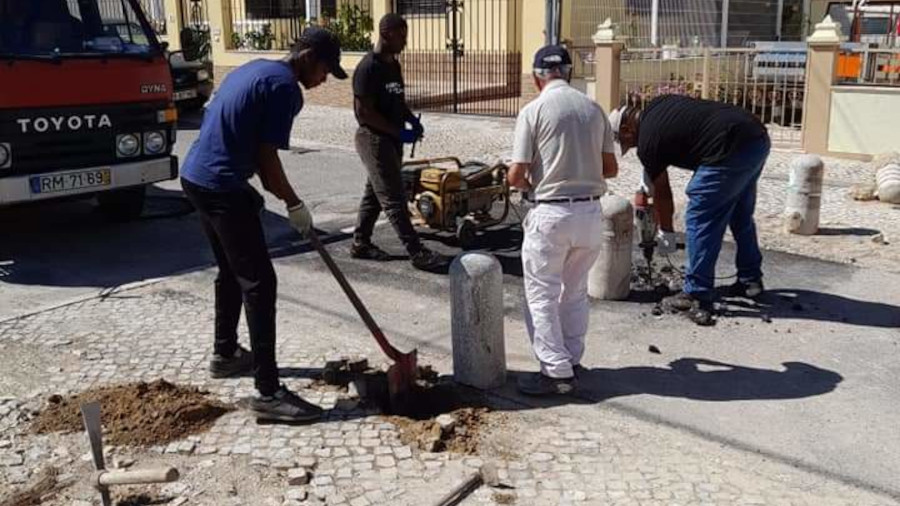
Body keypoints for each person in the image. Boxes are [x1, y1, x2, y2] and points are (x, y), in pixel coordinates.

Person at [180, 27, 347, 422]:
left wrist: (257, 191)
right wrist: (294, 203)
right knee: (260, 283)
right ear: (307, 56)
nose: (324, 80)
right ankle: (269, 393)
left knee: (231, 270)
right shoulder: (285, 89)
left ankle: (225, 354)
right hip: (220, 185)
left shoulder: (254, 69)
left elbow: (239, 136)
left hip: (197, 177)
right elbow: (268, 163)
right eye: (325, 70)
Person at [508, 45, 619, 396]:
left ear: (536, 77)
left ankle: (555, 373)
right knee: (574, 293)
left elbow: (515, 175)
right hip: (590, 214)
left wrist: (530, 183)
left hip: (552, 214)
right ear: (568, 73)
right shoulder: (593, 109)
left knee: (541, 295)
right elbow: (611, 169)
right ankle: (571, 360)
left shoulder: (534, 110)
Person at [610, 94, 770, 326]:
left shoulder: (647, 142)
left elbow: (663, 193)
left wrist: (666, 234)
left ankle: (697, 292)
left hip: (728, 147)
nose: (631, 146)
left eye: (626, 141)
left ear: (627, 128)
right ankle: (750, 281)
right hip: (755, 138)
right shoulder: (658, 105)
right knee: (739, 213)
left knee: (700, 215)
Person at [349, 13, 444, 271]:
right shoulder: (368, 68)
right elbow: (364, 113)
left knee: (374, 194)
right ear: (385, 33)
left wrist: (411, 120)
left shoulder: (394, 65)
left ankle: (361, 243)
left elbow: (398, 102)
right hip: (373, 139)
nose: (405, 41)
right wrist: (397, 131)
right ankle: (417, 252)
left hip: (391, 139)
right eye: (401, 35)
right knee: (393, 196)